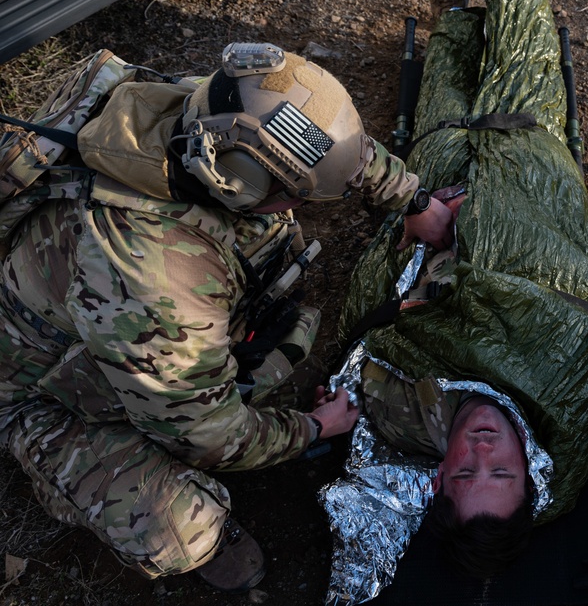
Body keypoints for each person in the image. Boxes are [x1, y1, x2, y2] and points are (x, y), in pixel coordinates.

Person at [0, 42, 452, 593]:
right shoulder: (154, 275)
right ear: (240, 183)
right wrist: (314, 427)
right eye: (293, 199)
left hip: (124, 327)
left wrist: (415, 200)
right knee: (180, 528)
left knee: (273, 339)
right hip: (45, 389)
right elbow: (209, 437)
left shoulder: (217, 110)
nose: (298, 210)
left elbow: (331, 147)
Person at [319, 0, 588, 604]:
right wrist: (485, 246)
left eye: (466, 468)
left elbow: (360, 316)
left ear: (438, 477)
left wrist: (407, 235)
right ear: (533, 473)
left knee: (449, 64)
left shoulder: (401, 408)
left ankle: (458, 11)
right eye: (502, 469)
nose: (484, 447)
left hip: (434, 171)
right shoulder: (573, 389)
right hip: (525, 156)